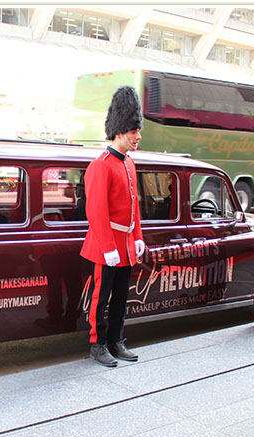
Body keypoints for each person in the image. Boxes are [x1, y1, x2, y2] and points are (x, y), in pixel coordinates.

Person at [80, 85, 146, 366]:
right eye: (134, 132)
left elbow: (135, 204)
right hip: (106, 243)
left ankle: (117, 340)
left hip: (126, 241)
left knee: (121, 296)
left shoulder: (128, 163)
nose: (138, 136)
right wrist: (108, 247)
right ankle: (97, 343)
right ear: (120, 131)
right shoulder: (101, 165)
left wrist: (139, 236)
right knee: (101, 296)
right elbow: (95, 211)